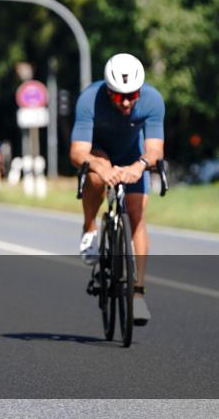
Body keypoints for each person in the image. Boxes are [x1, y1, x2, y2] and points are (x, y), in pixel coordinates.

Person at [69, 53, 164, 327]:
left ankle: (138, 292)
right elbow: (77, 152)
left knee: (136, 214)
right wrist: (99, 166)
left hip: (133, 154)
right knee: (97, 176)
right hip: (99, 151)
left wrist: (140, 165)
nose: (125, 102)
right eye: (118, 96)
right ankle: (89, 227)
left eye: (131, 96)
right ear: (108, 90)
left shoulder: (153, 100)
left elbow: (155, 149)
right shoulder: (90, 99)